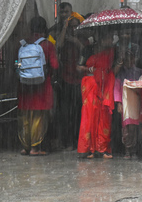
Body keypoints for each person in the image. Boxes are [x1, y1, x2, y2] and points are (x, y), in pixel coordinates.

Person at [17, 17, 59, 156]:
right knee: (39, 117)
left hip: (25, 87)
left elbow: (17, 64)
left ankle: (25, 147)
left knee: (26, 117)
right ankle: (35, 148)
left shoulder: (24, 43)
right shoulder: (47, 45)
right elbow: (55, 65)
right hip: (42, 87)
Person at [77, 27, 118, 159]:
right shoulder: (88, 49)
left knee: (105, 116)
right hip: (90, 84)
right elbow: (78, 67)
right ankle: (88, 148)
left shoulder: (113, 51)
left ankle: (102, 148)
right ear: (101, 38)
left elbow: (113, 70)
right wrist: (89, 69)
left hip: (106, 85)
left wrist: (120, 61)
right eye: (109, 38)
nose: (112, 40)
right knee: (89, 115)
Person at [55, 16, 88, 150]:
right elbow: (58, 45)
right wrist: (64, 28)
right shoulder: (65, 39)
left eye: (76, 26)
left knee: (78, 113)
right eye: (71, 27)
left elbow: (85, 51)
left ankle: (76, 140)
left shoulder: (83, 40)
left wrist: (76, 41)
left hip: (80, 79)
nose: (73, 29)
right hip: (66, 78)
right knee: (65, 113)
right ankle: (67, 141)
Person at [114, 49, 142, 159]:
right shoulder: (120, 73)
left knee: (134, 127)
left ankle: (134, 150)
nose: (129, 61)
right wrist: (118, 103)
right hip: (125, 102)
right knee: (126, 127)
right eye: (126, 59)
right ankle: (127, 149)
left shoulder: (139, 72)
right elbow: (117, 88)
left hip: (135, 101)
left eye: (130, 58)